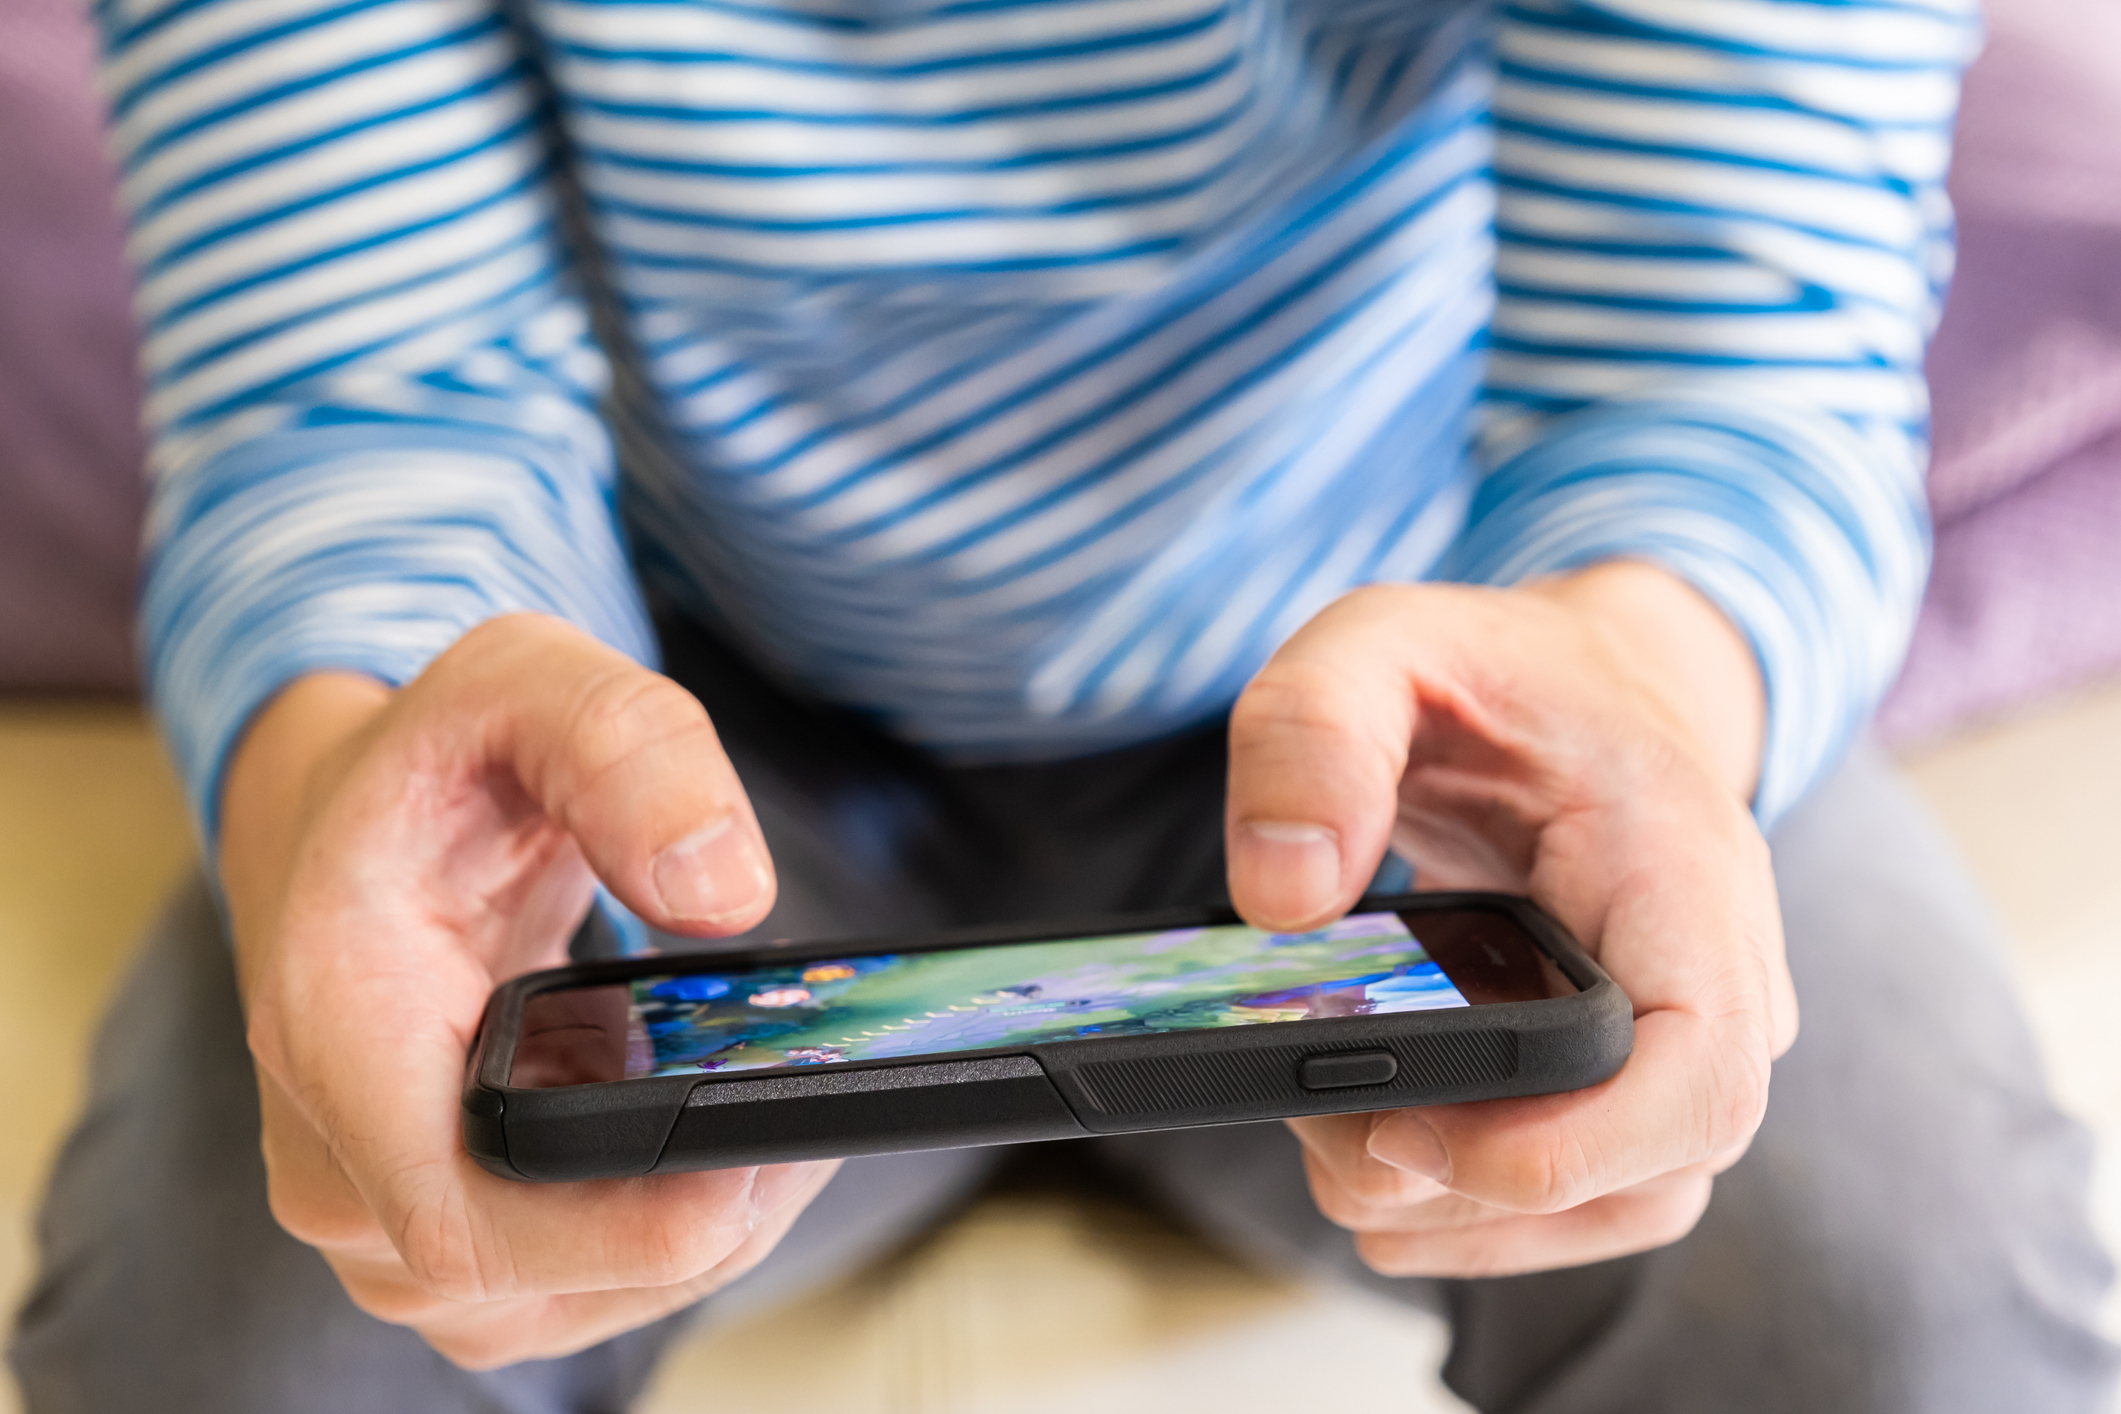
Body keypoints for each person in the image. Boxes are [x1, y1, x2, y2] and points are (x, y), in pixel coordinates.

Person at [10, 0, 2117, 1409]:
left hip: (1470, 700)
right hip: (634, 705)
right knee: (236, 1343)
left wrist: (1637, 677)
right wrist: (347, 768)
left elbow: (1710, 357)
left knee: (1901, 1308)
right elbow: (358, 398)